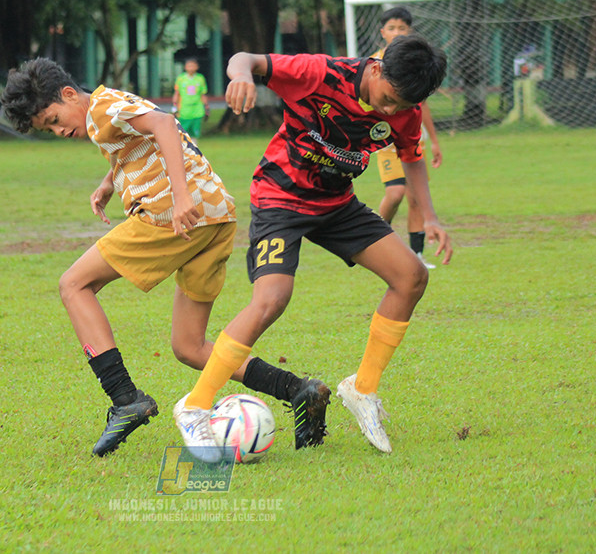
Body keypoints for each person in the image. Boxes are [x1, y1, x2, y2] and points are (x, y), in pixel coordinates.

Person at [1, 58, 329, 457]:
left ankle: (124, 398)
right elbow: (138, 136)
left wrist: (180, 197)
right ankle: (297, 390)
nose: (58, 130)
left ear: (69, 94)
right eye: (48, 130)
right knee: (189, 346)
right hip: (216, 216)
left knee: (73, 284)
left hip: (173, 218)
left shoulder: (102, 108)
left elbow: (164, 125)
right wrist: (110, 181)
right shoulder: (106, 107)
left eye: (53, 119)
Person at [172, 34, 452, 462]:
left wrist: (429, 216)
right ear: (376, 69)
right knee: (272, 299)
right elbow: (245, 55)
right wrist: (242, 76)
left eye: (402, 106)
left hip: (337, 204)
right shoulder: (320, 73)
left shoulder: (405, 110)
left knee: (412, 276)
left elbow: (411, 158)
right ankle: (195, 405)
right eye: (389, 99)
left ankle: (362, 388)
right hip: (280, 196)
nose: (390, 111)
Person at [372, 7, 443, 269]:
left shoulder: (417, 64)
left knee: (414, 198)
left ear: (409, 31)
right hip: (385, 142)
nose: (397, 33)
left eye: (402, 28)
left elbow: (421, 107)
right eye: (392, 28)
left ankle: (417, 256)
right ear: (383, 32)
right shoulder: (375, 63)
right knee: (395, 193)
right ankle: (373, 240)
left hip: (413, 139)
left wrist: (434, 141)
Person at [171, 58, 210, 140]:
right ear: (185, 67)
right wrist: (174, 106)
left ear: (197, 67)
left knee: (195, 132)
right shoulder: (181, 78)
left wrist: (206, 107)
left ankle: (194, 148)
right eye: (189, 66)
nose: (191, 68)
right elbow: (177, 93)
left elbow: (203, 93)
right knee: (183, 131)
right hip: (184, 109)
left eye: (193, 65)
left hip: (197, 109)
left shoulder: (200, 78)